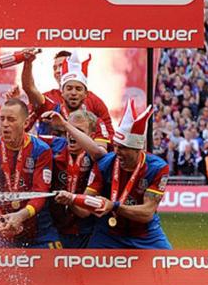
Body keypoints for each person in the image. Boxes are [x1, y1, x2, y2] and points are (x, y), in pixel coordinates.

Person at [63, 101, 172, 250]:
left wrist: (114, 206)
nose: (117, 152)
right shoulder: (105, 164)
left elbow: (147, 213)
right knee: (89, 263)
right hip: (108, 234)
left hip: (146, 235)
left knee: (168, 263)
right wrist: (70, 200)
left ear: (138, 149)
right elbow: (85, 211)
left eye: (123, 148)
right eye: (115, 146)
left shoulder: (157, 168)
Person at [0, 99, 61, 249]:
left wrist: (20, 216)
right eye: (2, 119)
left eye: (11, 119)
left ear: (25, 123)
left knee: (56, 262)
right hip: (3, 226)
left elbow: (40, 193)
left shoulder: (41, 150)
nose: (5, 124)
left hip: (39, 229)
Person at [42, 109, 106, 249]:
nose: (71, 134)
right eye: (70, 129)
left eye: (79, 131)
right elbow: (23, 138)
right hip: (54, 229)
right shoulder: (54, 144)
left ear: (91, 136)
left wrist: (70, 200)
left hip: (85, 231)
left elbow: (84, 211)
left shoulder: (98, 160)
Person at [19, 50, 114, 143]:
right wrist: (28, 63)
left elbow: (109, 140)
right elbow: (29, 88)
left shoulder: (95, 107)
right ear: (62, 92)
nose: (73, 93)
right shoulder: (48, 102)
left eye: (78, 89)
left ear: (85, 93)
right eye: (69, 88)